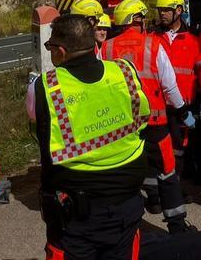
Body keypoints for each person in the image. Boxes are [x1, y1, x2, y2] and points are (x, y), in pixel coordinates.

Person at [31, 14, 151, 258]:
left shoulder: (48, 86)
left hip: (78, 217)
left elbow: (45, 148)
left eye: (50, 47)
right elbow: (142, 121)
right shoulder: (123, 71)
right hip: (126, 205)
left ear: (61, 51)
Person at [103, 0, 194, 233]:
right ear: (137, 20)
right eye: (142, 17)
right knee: (167, 170)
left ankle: (127, 224)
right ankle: (176, 225)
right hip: (154, 123)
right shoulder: (153, 45)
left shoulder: (107, 48)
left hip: (122, 125)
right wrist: (182, 110)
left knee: (125, 173)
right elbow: (169, 85)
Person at [152, 0, 201, 191]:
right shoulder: (152, 38)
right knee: (162, 148)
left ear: (179, 10)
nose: (162, 14)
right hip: (159, 104)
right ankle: (167, 189)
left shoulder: (194, 39)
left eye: (167, 10)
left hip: (185, 104)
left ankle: (182, 188)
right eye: (160, 10)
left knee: (184, 148)